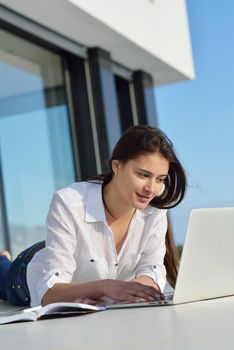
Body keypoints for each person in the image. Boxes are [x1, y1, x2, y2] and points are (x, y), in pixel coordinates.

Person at [0, 125, 186, 307]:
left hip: (70, 258)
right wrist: (105, 288)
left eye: (160, 179)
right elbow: (49, 292)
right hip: (25, 276)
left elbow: (152, 270)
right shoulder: (69, 202)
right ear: (117, 166)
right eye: (143, 175)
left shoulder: (155, 211)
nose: (151, 189)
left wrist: (115, 294)